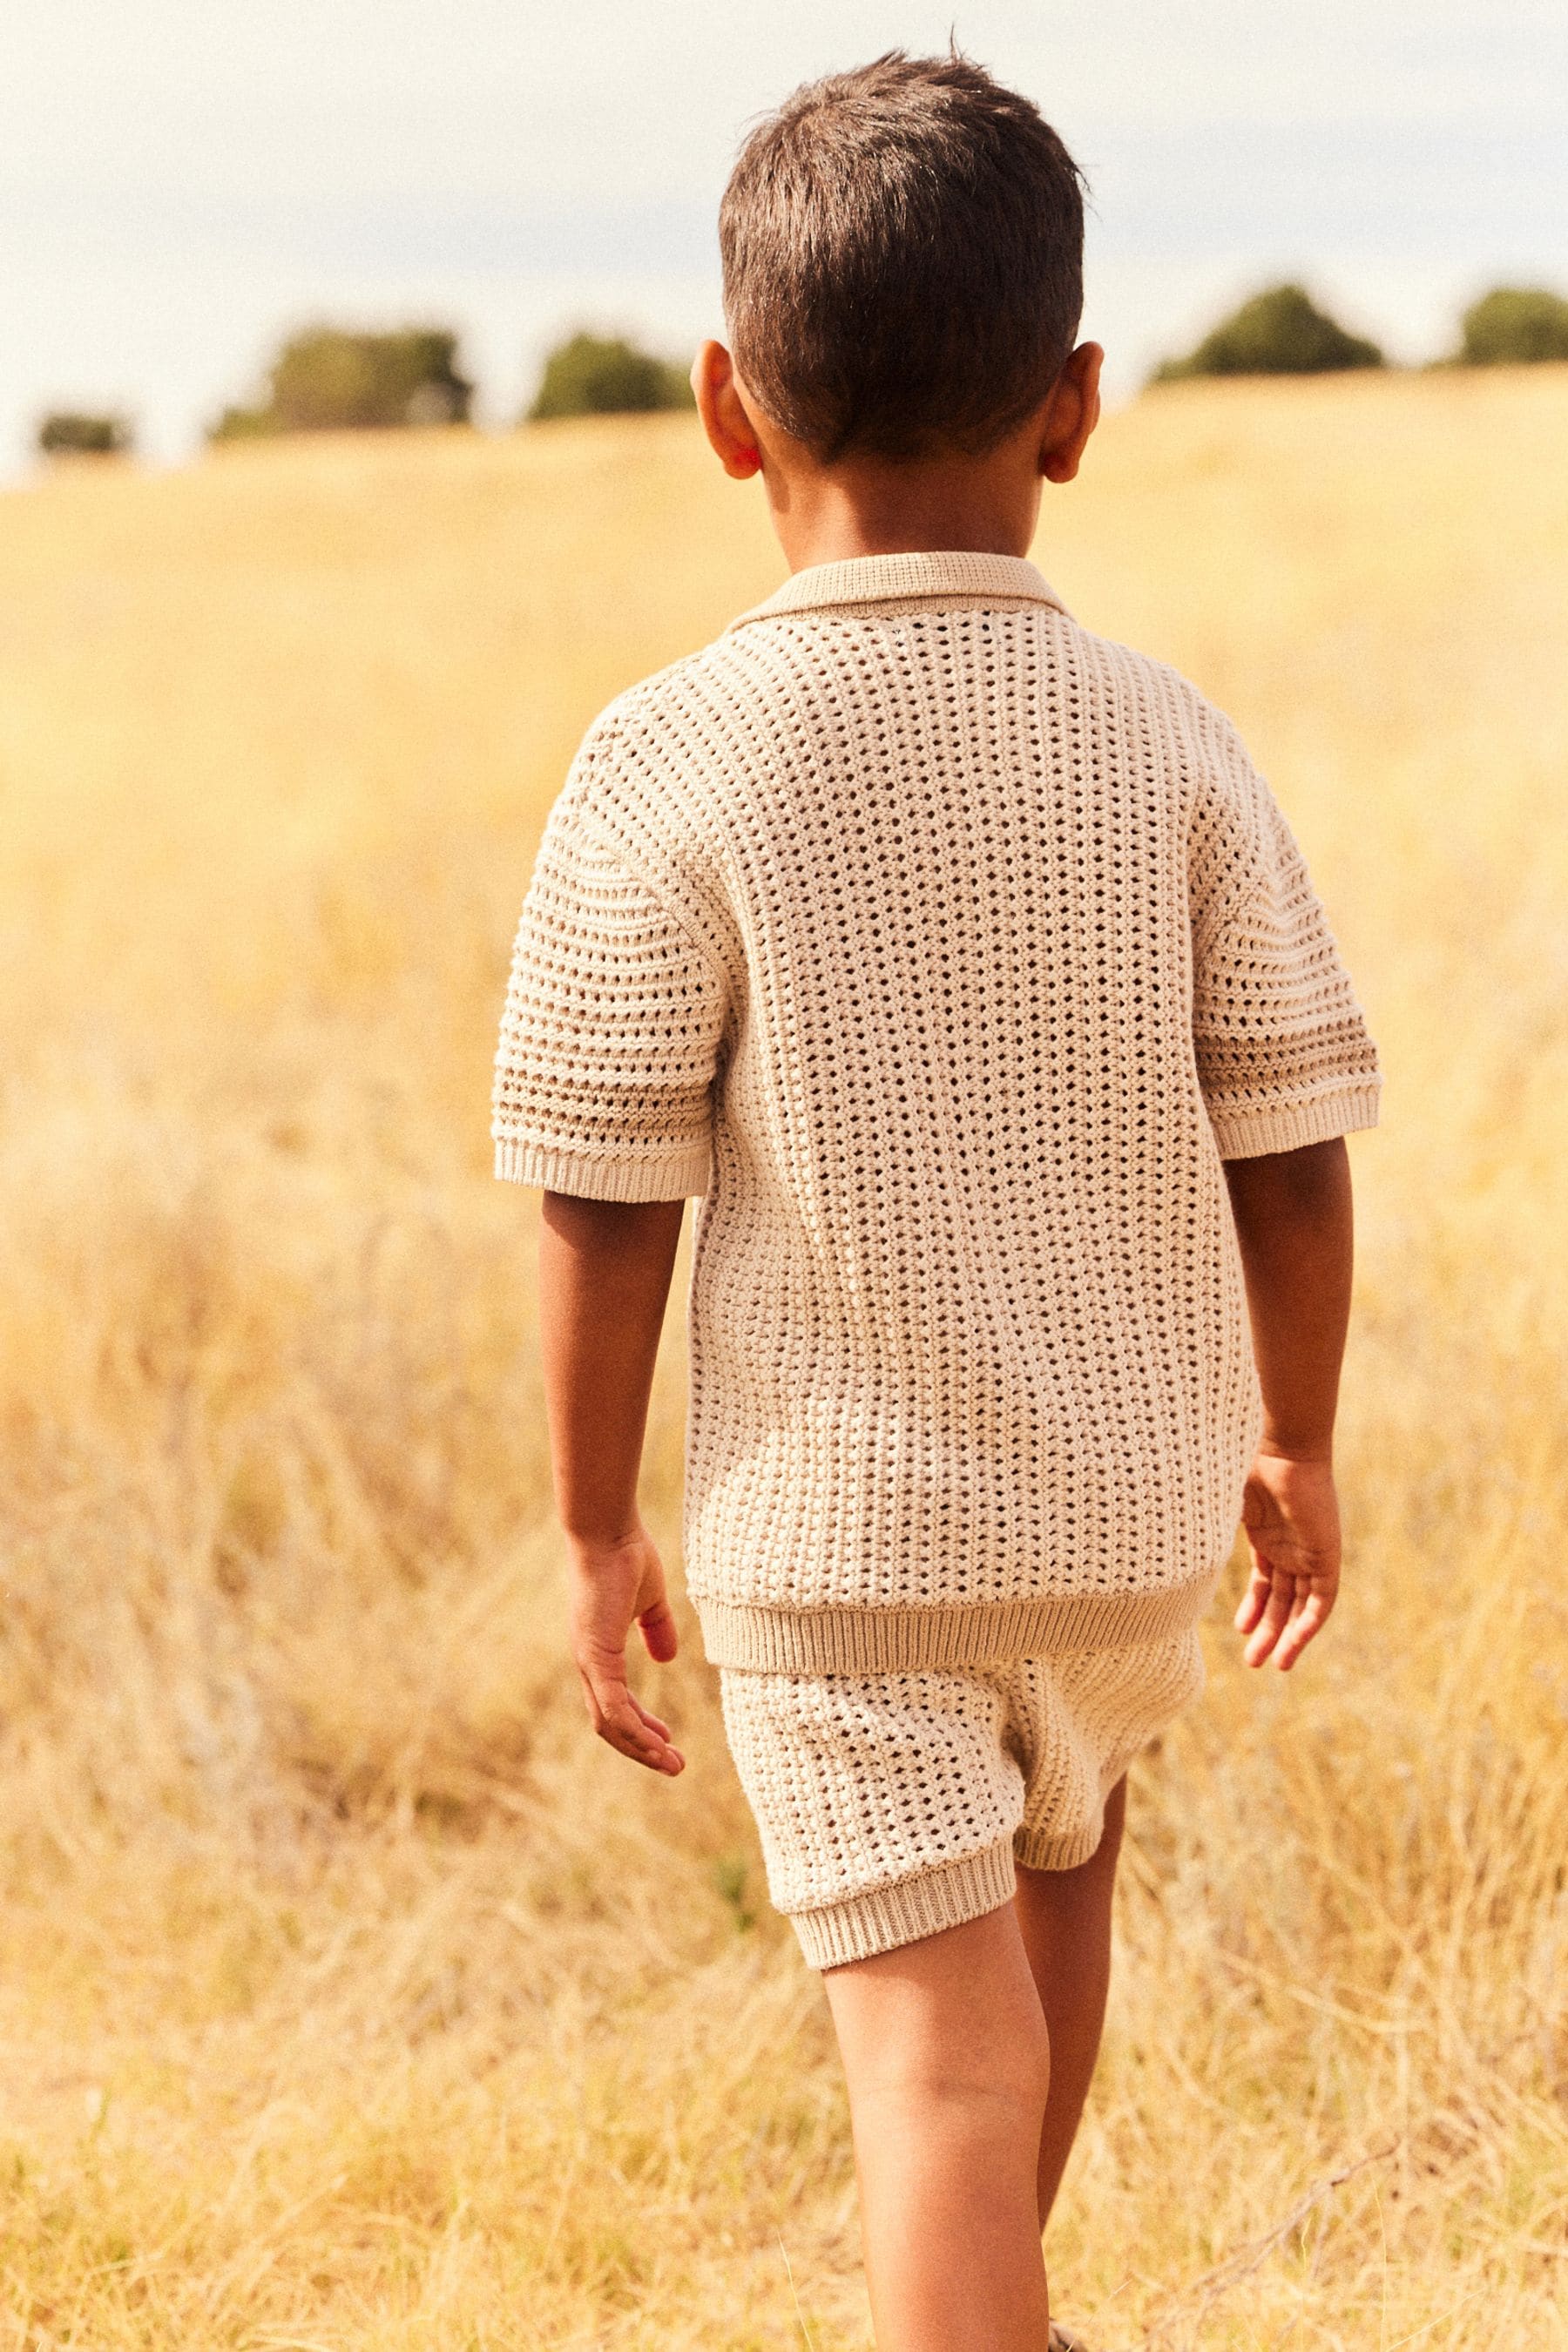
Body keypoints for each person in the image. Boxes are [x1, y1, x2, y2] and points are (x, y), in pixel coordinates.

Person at [491, 50, 1381, 2352]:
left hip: (852, 1561)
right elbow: (1293, 1145)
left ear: (722, 406)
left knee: (942, 2063)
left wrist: (595, 1522)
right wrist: (1295, 1440)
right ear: (1077, 405)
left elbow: (604, 1195)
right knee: (1039, 1971)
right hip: (1125, 1525)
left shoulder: (670, 752)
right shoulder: (1170, 736)